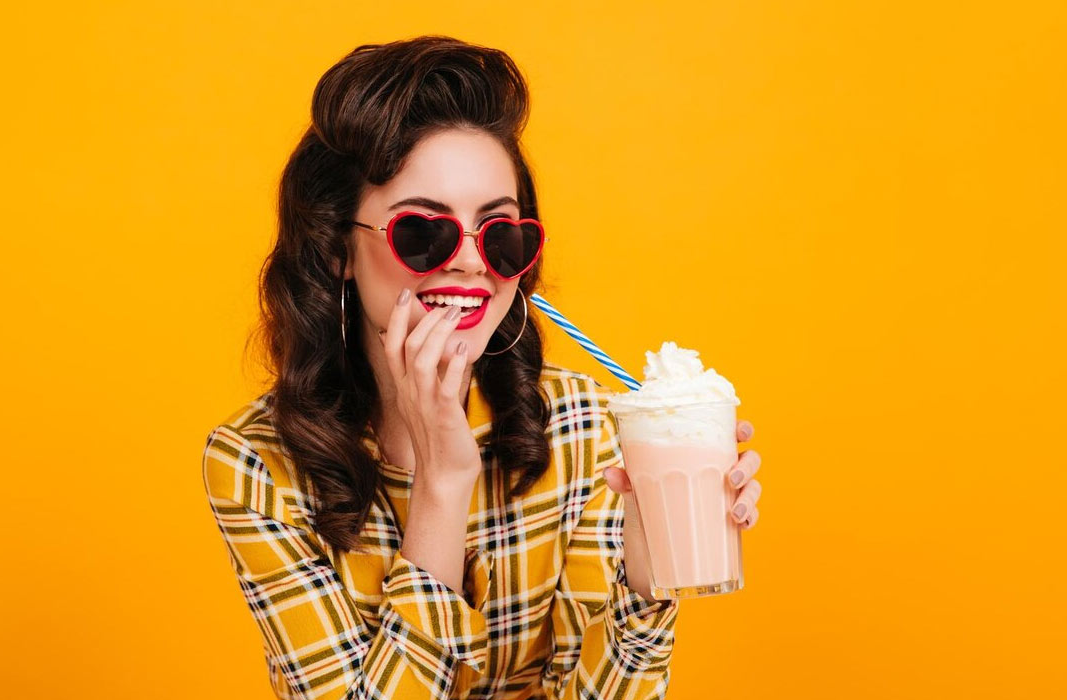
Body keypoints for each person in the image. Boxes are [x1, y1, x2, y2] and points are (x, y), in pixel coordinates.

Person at [201, 35, 764, 700]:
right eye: (424, 230)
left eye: (499, 233)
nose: (471, 263)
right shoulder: (256, 465)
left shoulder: (584, 427)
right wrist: (443, 487)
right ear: (335, 251)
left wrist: (642, 582)